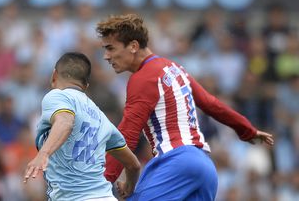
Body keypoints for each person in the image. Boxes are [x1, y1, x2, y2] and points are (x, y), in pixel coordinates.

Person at [95, 14, 274, 200]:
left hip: (175, 163)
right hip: (205, 168)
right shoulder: (174, 68)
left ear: (133, 46)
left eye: (110, 48)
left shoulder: (142, 78)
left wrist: (102, 182)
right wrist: (247, 129)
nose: (106, 56)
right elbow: (211, 104)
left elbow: (127, 136)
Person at [24, 52, 141, 201]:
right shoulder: (102, 118)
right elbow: (133, 165)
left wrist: (44, 153)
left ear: (54, 75)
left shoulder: (57, 96)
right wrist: (129, 187)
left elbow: (65, 122)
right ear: (86, 86)